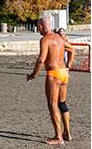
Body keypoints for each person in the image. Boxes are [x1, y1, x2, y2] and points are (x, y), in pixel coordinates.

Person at [27, 17, 75, 145]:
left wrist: (33, 75)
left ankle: (58, 137)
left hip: (53, 74)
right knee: (62, 103)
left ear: (41, 26)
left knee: (52, 105)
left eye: (38, 27)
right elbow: (72, 49)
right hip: (64, 73)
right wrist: (68, 65)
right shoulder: (60, 38)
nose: (38, 30)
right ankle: (67, 133)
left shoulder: (45, 40)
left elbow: (41, 60)